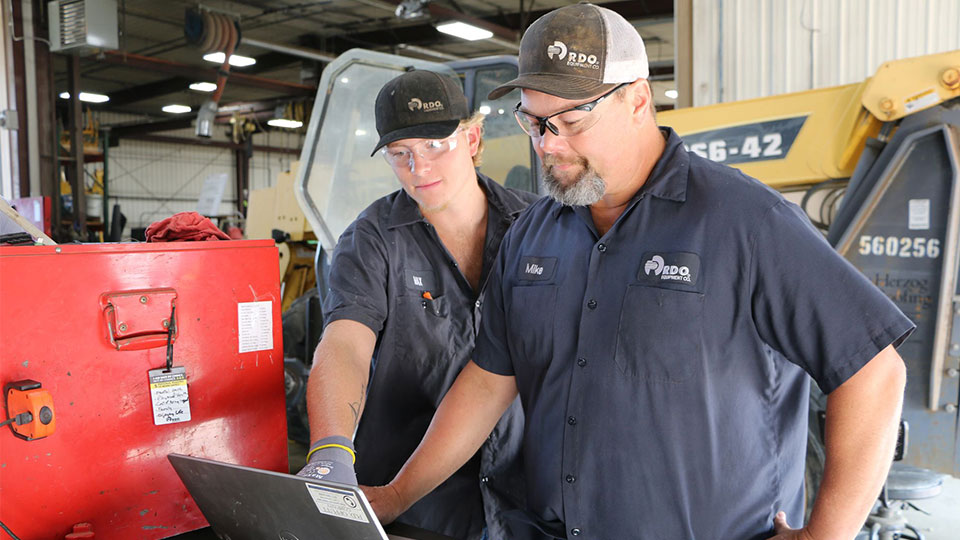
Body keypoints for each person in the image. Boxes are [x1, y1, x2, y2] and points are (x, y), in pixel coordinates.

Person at [362, 4, 915, 540]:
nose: (548, 145)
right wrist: (395, 495)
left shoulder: (746, 223)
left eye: (572, 119)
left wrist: (826, 535)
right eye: (534, 121)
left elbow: (872, 372)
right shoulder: (532, 234)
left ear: (637, 100)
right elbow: (487, 382)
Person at [297, 70, 538, 539]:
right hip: (411, 507)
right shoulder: (371, 241)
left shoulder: (537, 229)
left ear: (471, 138)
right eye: (400, 154)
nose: (419, 168)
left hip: (524, 498)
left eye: (435, 145)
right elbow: (346, 343)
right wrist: (329, 449)